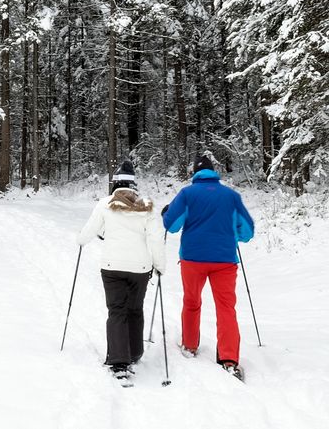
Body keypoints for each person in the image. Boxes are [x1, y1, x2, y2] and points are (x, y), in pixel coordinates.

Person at [161, 154, 255, 379]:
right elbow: (247, 231)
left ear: (195, 173)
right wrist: (235, 234)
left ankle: (190, 345)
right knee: (226, 308)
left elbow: (171, 225)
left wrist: (166, 212)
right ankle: (229, 359)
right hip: (224, 260)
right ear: (214, 172)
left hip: (193, 259)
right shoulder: (231, 196)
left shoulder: (187, 194)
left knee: (192, 302)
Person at [77, 161, 166, 384]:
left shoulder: (104, 203)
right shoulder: (146, 206)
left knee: (117, 311)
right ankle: (134, 353)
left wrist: (80, 241)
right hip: (140, 268)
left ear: (114, 184)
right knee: (135, 309)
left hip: (112, 267)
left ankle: (119, 362)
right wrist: (160, 265)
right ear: (134, 184)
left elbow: (90, 230)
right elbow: (155, 238)